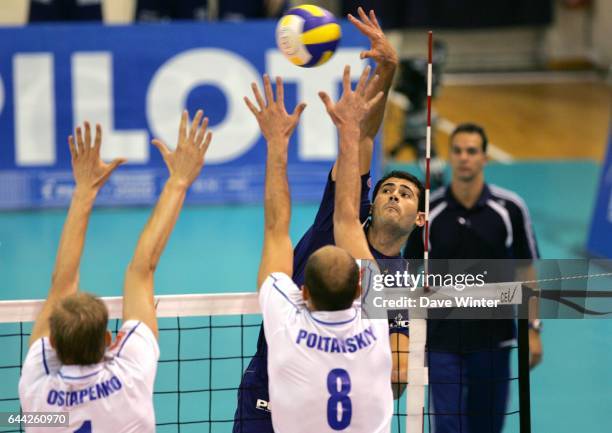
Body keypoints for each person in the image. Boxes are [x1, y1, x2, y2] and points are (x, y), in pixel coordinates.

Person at [233, 8, 424, 432]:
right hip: (269, 385)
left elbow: (397, 376)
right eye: (387, 189)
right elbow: (365, 140)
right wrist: (386, 72)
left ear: (420, 219)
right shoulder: (344, 219)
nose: (393, 194)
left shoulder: (400, 283)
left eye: (406, 193)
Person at [19, 111, 212, 432]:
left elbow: (62, 284)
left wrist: (84, 190)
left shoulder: (36, 393)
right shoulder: (131, 375)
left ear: (51, 342)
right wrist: (179, 180)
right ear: (110, 340)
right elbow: (142, 269)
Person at [247, 62, 392, 433]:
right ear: (360, 288)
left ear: (303, 293)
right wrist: (350, 130)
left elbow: (277, 229)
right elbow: (346, 218)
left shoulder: (286, 326)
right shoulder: (377, 317)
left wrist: (277, 142)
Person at [404, 122, 543, 433]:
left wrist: (533, 329)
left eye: (471, 151)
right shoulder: (430, 211)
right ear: (450, 157)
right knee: (448, 426)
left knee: (488, 426)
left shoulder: (510, 209)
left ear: (484, 158)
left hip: (493, 339)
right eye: (457, 151)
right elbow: (409, 270)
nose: (464, 157)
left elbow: (527, 272)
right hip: (441, 340)